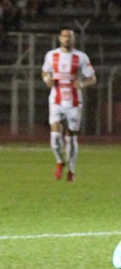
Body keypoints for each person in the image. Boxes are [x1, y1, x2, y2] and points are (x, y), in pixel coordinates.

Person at [41, 27, 97, 182]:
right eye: (64, 36)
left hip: (74, 103)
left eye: (70, 37)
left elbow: (92, 78)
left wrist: (83, 84)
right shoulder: (51, 55)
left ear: (74, 39)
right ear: (59, 38)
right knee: (55, 137)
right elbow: (45, 72)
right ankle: (60, 161)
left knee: (71, 139)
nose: (67, 39)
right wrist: (47, 79)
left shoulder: (81, 57)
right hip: (56, 101)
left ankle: (71, 170)